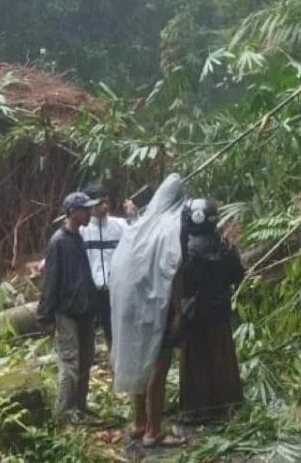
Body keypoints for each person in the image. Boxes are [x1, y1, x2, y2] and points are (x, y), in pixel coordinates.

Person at [109, 175, 189, 447]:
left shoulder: (139, 226)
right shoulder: (171, 226)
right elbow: (173, 269)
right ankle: (154, 431)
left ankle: (138, 422)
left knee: (137, 357)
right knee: (159, 365)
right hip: (156, 305)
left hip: (130, 306)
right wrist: (178, 310)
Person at [177, 198, 245, 424]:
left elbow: (178, 280)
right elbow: (238, 274)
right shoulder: (225, 245)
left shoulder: (184, 248)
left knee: (195, 359)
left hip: (193, 313)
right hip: (219, 311)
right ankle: (225, 406)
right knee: (220, 356)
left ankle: (195, 409)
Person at [36, 191, 99, 420]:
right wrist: (45, 316)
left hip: (84, 311)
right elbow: (50, 280)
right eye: (86, 209)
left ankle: (79, 410)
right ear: (73, 212)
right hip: (67, 313)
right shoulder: (59, 242)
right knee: (70, 364)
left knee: (86, 361)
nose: (90, 212)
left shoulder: (77, 237)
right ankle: (62, 416)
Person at [82, 182, 125, 356]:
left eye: (106, 202)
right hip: (89, 289)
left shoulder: (120, 226)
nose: (105, 207)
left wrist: (135, 218)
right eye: (100, 203)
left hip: (113, 288)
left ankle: (114, 361)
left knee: (112, 329)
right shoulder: (82, 229)